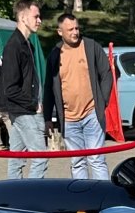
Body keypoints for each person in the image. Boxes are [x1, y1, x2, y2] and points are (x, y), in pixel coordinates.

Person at [44, 13, 113, 179]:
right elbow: (48, 88)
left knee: (97, 159)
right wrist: (47, 118)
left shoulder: (90, 46)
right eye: (70, 29)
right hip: (68, 119)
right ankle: (83, 201)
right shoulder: (54, 54)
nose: (75, 32)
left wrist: (102, 102)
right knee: (77, 161)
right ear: (60, 32)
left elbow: (106, 74)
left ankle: (103, 197)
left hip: (92, 114)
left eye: (77, 28)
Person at [0, 0, 47, 179]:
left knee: (16, 158)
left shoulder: (28, 45)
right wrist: (33, 104)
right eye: (36, 16)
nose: (39, 20)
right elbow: (10, 88)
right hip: (23, 110)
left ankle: (13, 195)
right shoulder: (14, 46)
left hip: (23, 109)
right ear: (23, 18)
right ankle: (30, 197)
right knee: (41, 156)